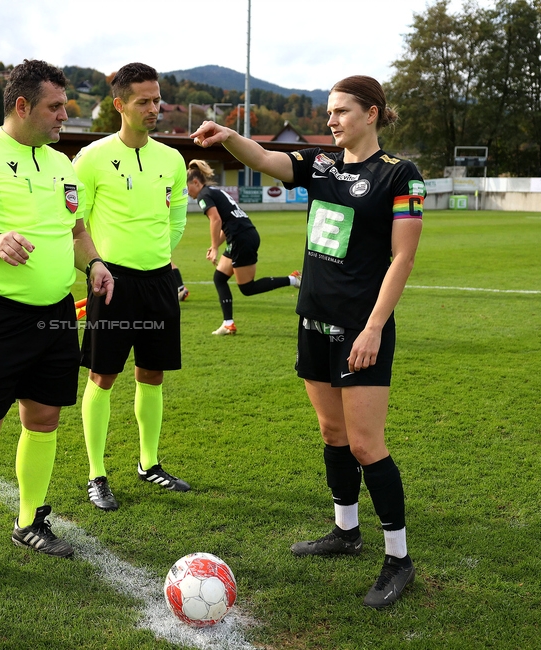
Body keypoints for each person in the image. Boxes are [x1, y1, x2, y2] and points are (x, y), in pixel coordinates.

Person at [192, 75, 425, 608]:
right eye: (328, 111)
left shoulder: (399, 175)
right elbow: (266, 159)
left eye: (341, 111)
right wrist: (228, 134)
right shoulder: (322, 166)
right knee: (331, 431)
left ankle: (398, 559)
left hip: (360, 328)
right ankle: (346, 531)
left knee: (367, 445)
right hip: (312, 320)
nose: (331, 119)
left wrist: (372, 327)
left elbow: (403, 259)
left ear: (371, 113)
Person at [0, 59, 113, 596]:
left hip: (57, 312)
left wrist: (96, 264)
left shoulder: (63, 165)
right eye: (56, 106)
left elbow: (76, 230)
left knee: (45, 419)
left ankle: (30, 521)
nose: (65, 115)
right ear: (23, 105)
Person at [74, 62, 190, 512]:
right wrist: (98, 264)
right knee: (103, 376)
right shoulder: (92, 157)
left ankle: (149, 462)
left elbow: (177, 216)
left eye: (157, 99)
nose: (154, 108)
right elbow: (75, 222)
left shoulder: (172, 159)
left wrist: (158, 252)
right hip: (112, 281)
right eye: (143, 100)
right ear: (119, 105)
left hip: (159, 279)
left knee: (152, 374)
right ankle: (97, 474)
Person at [186, 159, 301, 336]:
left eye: (188, 188)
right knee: (219, 277)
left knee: (247, 288)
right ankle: (228, 324)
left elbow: (216, 220)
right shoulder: (214, 191)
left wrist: (215, 247)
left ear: (195, 182)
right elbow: (227, 223)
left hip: (242, 239)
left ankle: (293, 279)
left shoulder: (203, 195)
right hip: (243, 236)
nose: (188, 193)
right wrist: (215, 244)